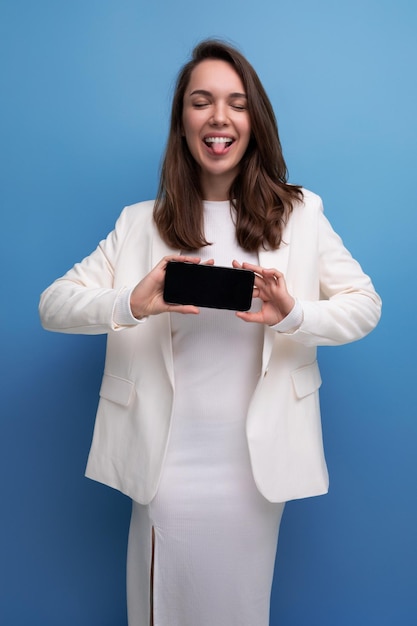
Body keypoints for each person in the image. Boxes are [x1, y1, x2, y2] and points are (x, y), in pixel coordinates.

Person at [39, 39, 381, 626]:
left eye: (235, 103)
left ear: (255, 121)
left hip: (254, 470)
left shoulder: (301, 214)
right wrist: (133, 302)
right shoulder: (139, 223)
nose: (218, 117)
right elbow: (53, 305)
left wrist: (293, 314)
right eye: (201, 102)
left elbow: (364, 305)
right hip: (164, 464)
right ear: (183, 121)